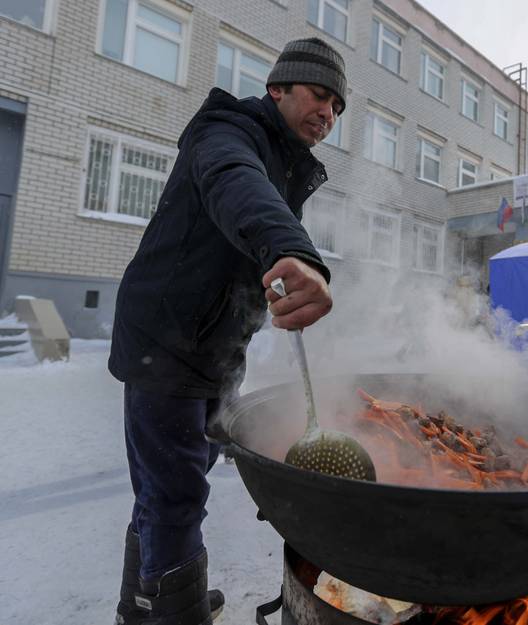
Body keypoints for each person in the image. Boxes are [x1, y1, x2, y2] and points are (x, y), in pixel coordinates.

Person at [108, 37, 345, 624]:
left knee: (171, 487)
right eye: (319, 95)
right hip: (165, 344)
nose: (328, 114)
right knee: (175, 496)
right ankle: (174, 611)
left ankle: (147, 600)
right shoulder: (227, 130)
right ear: (277, 89)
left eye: (338, 107)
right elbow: (236, 182)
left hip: (215, 348)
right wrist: (293, 248)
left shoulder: (289, 161)